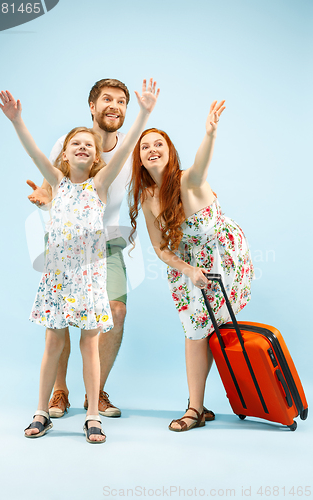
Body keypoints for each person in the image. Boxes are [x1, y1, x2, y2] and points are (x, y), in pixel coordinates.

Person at [0, 79, 159, 443]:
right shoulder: (57, 180)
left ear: (97, 158)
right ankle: (42, 410)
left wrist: (146, 112)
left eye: (88, 145)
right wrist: (16, 120)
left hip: (90, 278)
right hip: (58, 278)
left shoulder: (99, 185)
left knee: (89, 344)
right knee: (52, 343)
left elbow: (127, 146)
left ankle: (92, 414)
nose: (83, 147)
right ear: (65, 155)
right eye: (76, 145)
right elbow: (34, 152)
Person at [128, 100, 254, 431]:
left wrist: (210, 133)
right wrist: (188, 270)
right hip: (190, 264)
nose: (152, 149)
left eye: (159, 144)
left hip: (222, 253)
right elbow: (159, 248)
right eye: (145, 146)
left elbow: (201, 166)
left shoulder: (186, 180)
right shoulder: (148, 197)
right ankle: (197, 408)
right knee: (195, 330)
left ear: (170, 152)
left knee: (202, 330)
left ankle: (195, 410)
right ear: (139, 158)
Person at [27, 79, 133, 419]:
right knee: (58, 321)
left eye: (121, 101)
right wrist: (43, 199)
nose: (114, 105)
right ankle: (58, 392)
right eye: (106, 99)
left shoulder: (131, 150)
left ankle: (95, 392)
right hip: (64, 246)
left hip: (108, 242)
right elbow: (49, 188)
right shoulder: (70, 141)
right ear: (92, 106)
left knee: (113, 313)